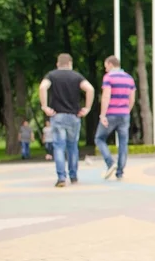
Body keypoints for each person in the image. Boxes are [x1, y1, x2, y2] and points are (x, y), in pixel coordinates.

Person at [39, 53, 95, 187]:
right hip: (74, 116)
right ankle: (74, 176)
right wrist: (87, 108)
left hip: (57, 116)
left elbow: (42, 87)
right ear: (70, 63)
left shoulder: (51, 75)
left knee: (58, 146)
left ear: (57, 64)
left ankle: (61, 178)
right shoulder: (77, 76)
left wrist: (45, 106)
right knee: (72, 147)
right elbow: (90, 89)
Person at [94, 55, 136, 180]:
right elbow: (132, 98)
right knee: (123, 143)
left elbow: (106, 96)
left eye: (106, 66)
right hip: (124, 114)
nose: (105, 68)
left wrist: (102, 115)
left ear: (111, 64)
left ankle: (110, 162)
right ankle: (120, 172)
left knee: (99, 138)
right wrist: (127, 110)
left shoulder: (109, 78)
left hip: (111, 113)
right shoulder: (129, 78)